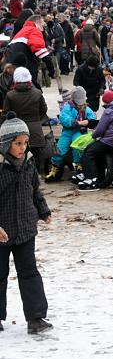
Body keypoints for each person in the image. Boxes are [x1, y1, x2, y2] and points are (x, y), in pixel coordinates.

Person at [0, 112, 52, 335]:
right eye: (17, 143)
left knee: (29, 272)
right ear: (5, 144)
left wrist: (43, 210)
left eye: (25, 142)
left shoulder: (29, 162)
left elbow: (35, 190)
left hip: (26, 228)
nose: (22, 147)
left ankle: (36, 317)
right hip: (2, 232)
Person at [45, 86, 97, 182]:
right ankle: (55, 169)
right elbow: (64, 118)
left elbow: (92, 117)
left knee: (77, 146)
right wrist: (76, 122)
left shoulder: (86, 108)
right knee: (60, 149)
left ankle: (79, 167)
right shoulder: (68, 107)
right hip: (67, 132)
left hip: (80, 132)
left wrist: (89, 121)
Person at [77, 90, 113, 191]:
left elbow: (100, 128)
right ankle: (100, 178)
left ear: (107, 102)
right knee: (96, 153)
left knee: (88, 152)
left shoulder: (109, 111)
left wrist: (93, 136)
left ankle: (91, 179)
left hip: (109, 140)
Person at [6, 15, 52, 88]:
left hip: (12, 62)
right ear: (37, 22)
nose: (43, 28)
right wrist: (50, 67)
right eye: (43, 25)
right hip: (27, 64)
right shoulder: (34, 30)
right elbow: (39, 49)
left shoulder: (23, 31)